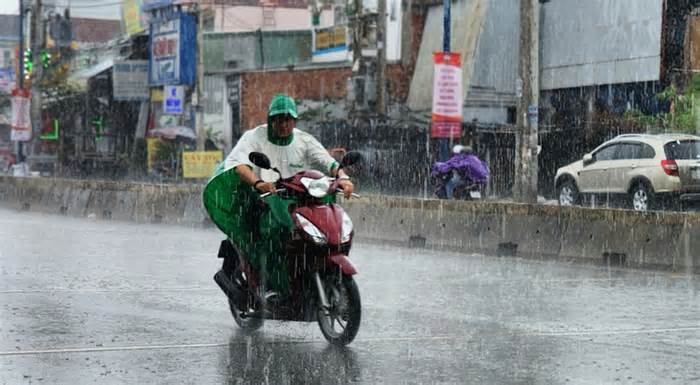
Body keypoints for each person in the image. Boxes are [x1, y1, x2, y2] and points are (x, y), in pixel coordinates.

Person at [209, 93, 354, 298]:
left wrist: (343, 177)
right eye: (278, 119)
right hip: (260, 200)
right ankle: (270, 282)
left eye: (288, 119)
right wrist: (259, 183)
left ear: (294, 121)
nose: (283, 124)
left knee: (319, 232)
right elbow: (240, 165)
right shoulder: (255, 137)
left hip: (298, 201)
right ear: (271, 119)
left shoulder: (304, 140)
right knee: (275, 234)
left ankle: (307, 278)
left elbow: (327, 162)